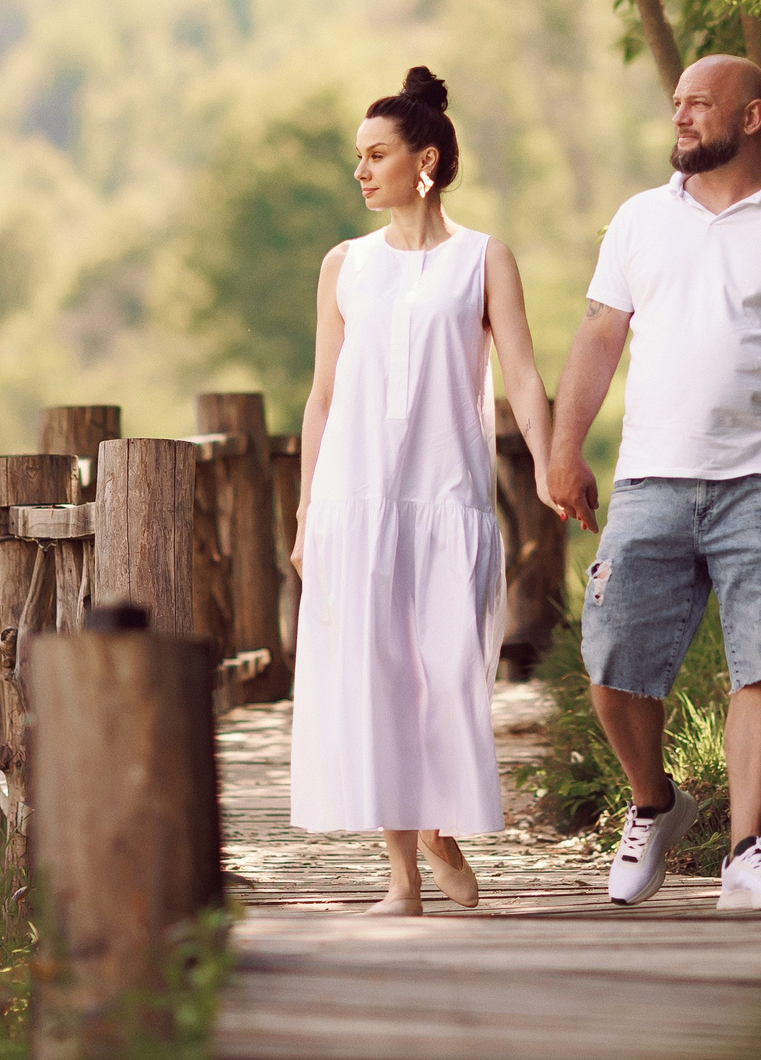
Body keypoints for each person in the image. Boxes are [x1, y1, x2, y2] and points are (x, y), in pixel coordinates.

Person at [545, 55, 761, 911]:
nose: (682, 116)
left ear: (753, 115)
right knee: (611, 663)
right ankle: (655, 803)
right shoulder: (639, 219)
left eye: (700, 104)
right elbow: (596, 338)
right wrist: (563, 447)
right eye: (678, 103)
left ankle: (746, 854)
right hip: (651, 477)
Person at [288, 66, 557, 916]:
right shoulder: (345, 265)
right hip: (353, 500)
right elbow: (323, 393)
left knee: (446, 673)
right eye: (357, 157)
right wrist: (304, 513)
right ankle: (402, 875)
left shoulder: (484, 259)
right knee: (375, 675)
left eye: (376, 154)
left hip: (445, 496)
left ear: (426, 160)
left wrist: (553, 469)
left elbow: (520, 372)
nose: (361, 171)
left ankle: (445, 824)